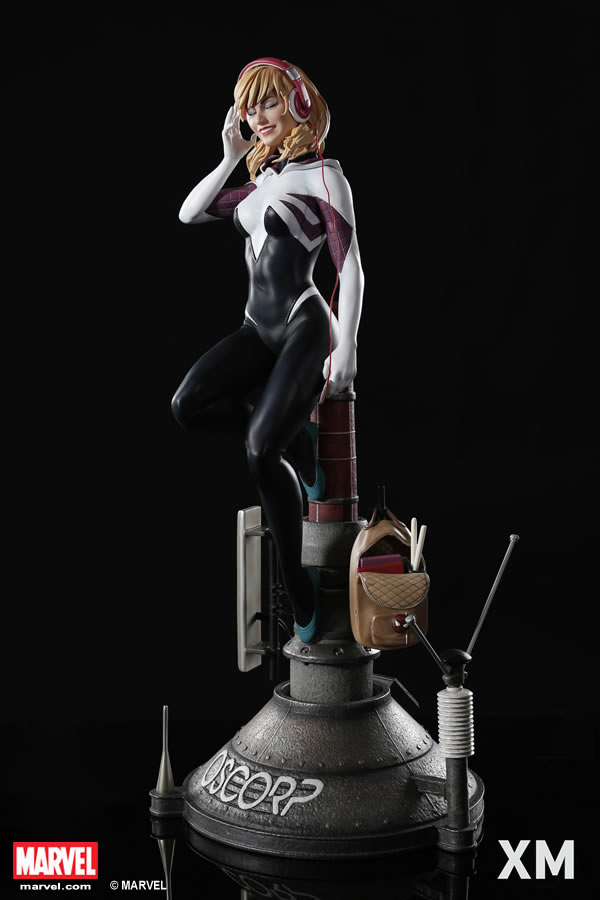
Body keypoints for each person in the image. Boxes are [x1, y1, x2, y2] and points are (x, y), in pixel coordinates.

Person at [171, 58, 364, 643]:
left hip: (306, 324)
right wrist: (230, 157)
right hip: (258, 328)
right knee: (188, 405)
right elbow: (189, 213)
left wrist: (347, 350)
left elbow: (350, 269)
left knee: (259, 452)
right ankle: (300, 447)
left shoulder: (325, 177)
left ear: (300, 103)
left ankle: (296, 584)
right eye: (249, 108)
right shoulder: (260, 184)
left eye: (269, 103)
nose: (258, 118)